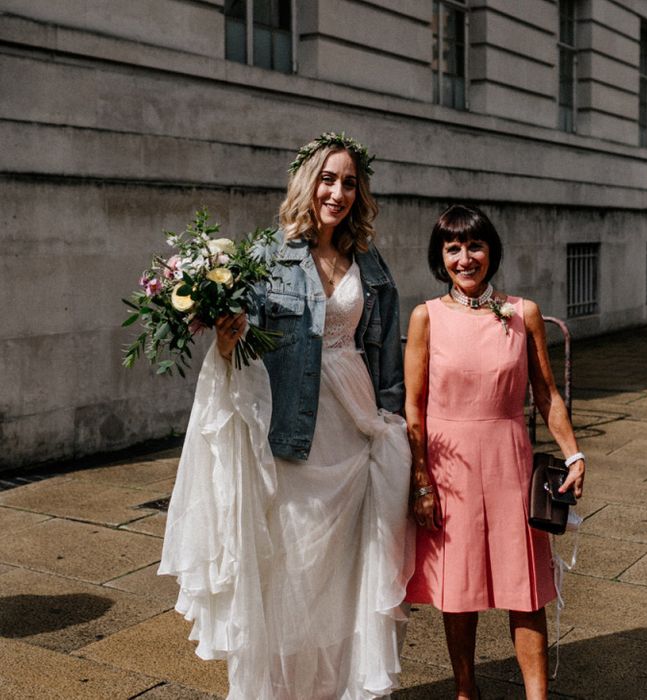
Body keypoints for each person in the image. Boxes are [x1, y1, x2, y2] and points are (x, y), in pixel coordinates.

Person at [159, 133, 413, 699]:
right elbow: (237, 349)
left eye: (350, 182)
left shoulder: (370, 263)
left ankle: (336, 689)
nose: (338, 192)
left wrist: (396, 433)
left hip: (356, 432)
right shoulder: (269, 256)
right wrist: (225, 341)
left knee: (344, 573)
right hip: (293, 435)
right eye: (329, 178)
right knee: (292, 568)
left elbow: (386, 358)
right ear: (307, 182)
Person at [404, 204, 586, 700]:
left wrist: (573, 455)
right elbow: (414, 409)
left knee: (524, 586)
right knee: (456, 589)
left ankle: (537, 696)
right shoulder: (426, 317)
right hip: (449, 466)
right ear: (441, 257)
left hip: (509, 460)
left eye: (475, 245)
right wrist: (421, 483)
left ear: (491, 251)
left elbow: (546, 394)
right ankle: (466, 690)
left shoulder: (523, 312)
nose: (466, 258)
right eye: (453, 248)